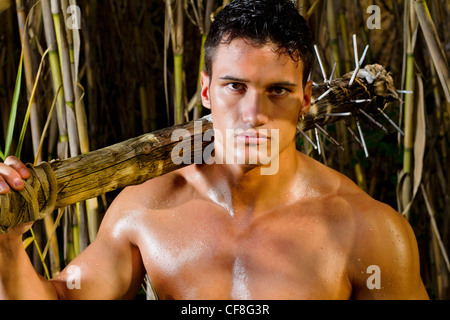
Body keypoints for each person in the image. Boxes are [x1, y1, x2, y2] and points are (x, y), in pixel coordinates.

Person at [0, 0, 428, 300]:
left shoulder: (365, 231)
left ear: (306, 98)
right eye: (235, 86)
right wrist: (6, 245)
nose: (254, 113)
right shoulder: (147, 208)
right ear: (206, 90)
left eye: (277, 90)